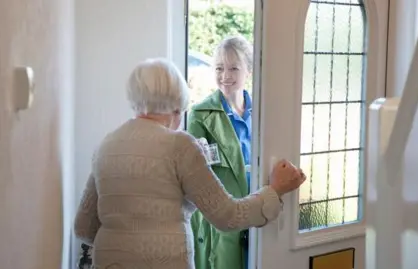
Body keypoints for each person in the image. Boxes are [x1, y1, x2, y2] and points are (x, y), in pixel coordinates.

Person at [73, 57, 306, 269]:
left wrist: (122, 239)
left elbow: (84, 227)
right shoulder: (179, 145)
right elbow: (227, 215)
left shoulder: (106, 145)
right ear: (177, 106)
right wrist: (275, 191)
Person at [187, 36, 256, 269]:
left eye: (234, 68)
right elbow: (196, 175)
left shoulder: (263, 111)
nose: (225, 75)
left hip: (258, 213)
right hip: (222, 222)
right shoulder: (200, 115)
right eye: (219, 68)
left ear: (249, 70)